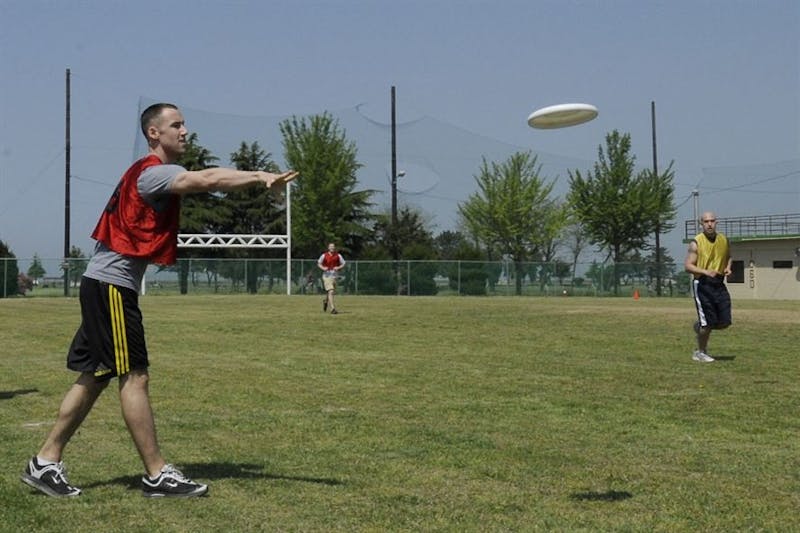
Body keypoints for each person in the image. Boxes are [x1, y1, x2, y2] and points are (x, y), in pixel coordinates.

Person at [21, 103, 297, 498]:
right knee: (135, 375)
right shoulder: (154, 173)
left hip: (104, 285)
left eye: (184, 124)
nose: (185, 131)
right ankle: (157, 473)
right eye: (176, 125)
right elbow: (206, 179)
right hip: (110, 288)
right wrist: (258, 176)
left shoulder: (148, 172)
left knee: (97, 375)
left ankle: (45, 461)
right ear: (155, 133)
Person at [684, 211, 733, 363]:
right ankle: (700, 352)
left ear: (716, 222)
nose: (709, 224)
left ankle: (699, 326)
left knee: (724, 322)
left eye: (712, 221)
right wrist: (705, 271)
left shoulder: (723, 240)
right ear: (701, 224)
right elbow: (688, 266)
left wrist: (728, 267)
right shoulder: (696, 242)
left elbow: (729, 256)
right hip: (703, 284)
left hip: (718, 283)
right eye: (706, 221)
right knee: (708, 324)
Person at [317, 242, 345, 314]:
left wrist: (338, 267)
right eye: (331, 246)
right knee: (331, 291)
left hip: (335, 276)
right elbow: (319, 263)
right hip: (327, 276)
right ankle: (333, 309)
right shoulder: (324, 255)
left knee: (330, 292)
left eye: (333, 246)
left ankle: (326, 301)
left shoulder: (338, 255)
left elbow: (344, 263)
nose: (332, 248)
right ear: (328, 248)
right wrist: (323, 268)